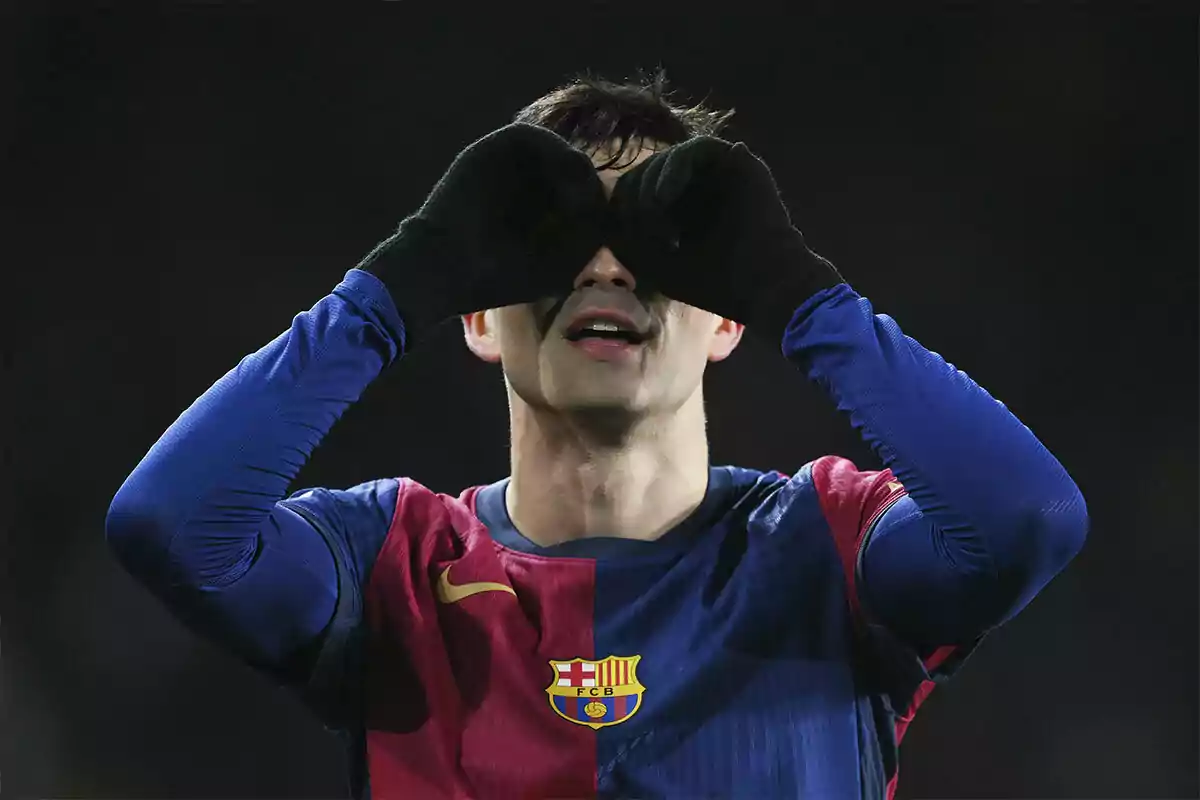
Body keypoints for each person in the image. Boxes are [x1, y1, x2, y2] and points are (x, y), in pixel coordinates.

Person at [106, 73, 1088, 799]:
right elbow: (169, 524)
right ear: (479, 314)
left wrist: (803, 295)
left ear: (729, 315)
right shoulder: (392, 565)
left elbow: (1027, 519)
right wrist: (402, 284)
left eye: (665, 244)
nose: (607, 266)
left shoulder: (823, 543)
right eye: (558, 241)